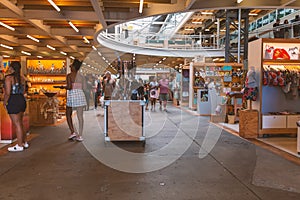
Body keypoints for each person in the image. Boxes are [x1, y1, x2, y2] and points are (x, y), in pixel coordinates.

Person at [3, 61, 28, 152]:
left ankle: (20, 145)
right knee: (20, 123)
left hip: (13, 101)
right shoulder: (22, 78)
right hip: (21, 100)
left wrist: (5, 102)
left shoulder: (8, 78)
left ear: (11, 68)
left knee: (17, 124)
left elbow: (8, 93)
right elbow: (24, 91)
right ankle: (24, 142)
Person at [65, 59, 87, 142]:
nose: (70, 67)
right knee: (80, 116)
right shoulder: (82, 76)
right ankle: (80, 135)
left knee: (68, 113)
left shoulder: (69, 76)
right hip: (80, 95)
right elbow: (84, 88)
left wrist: (63, 87)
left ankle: (72, 131)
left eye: (71, 65)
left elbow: (69, 87)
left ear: (74, 67)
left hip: (72, 96)